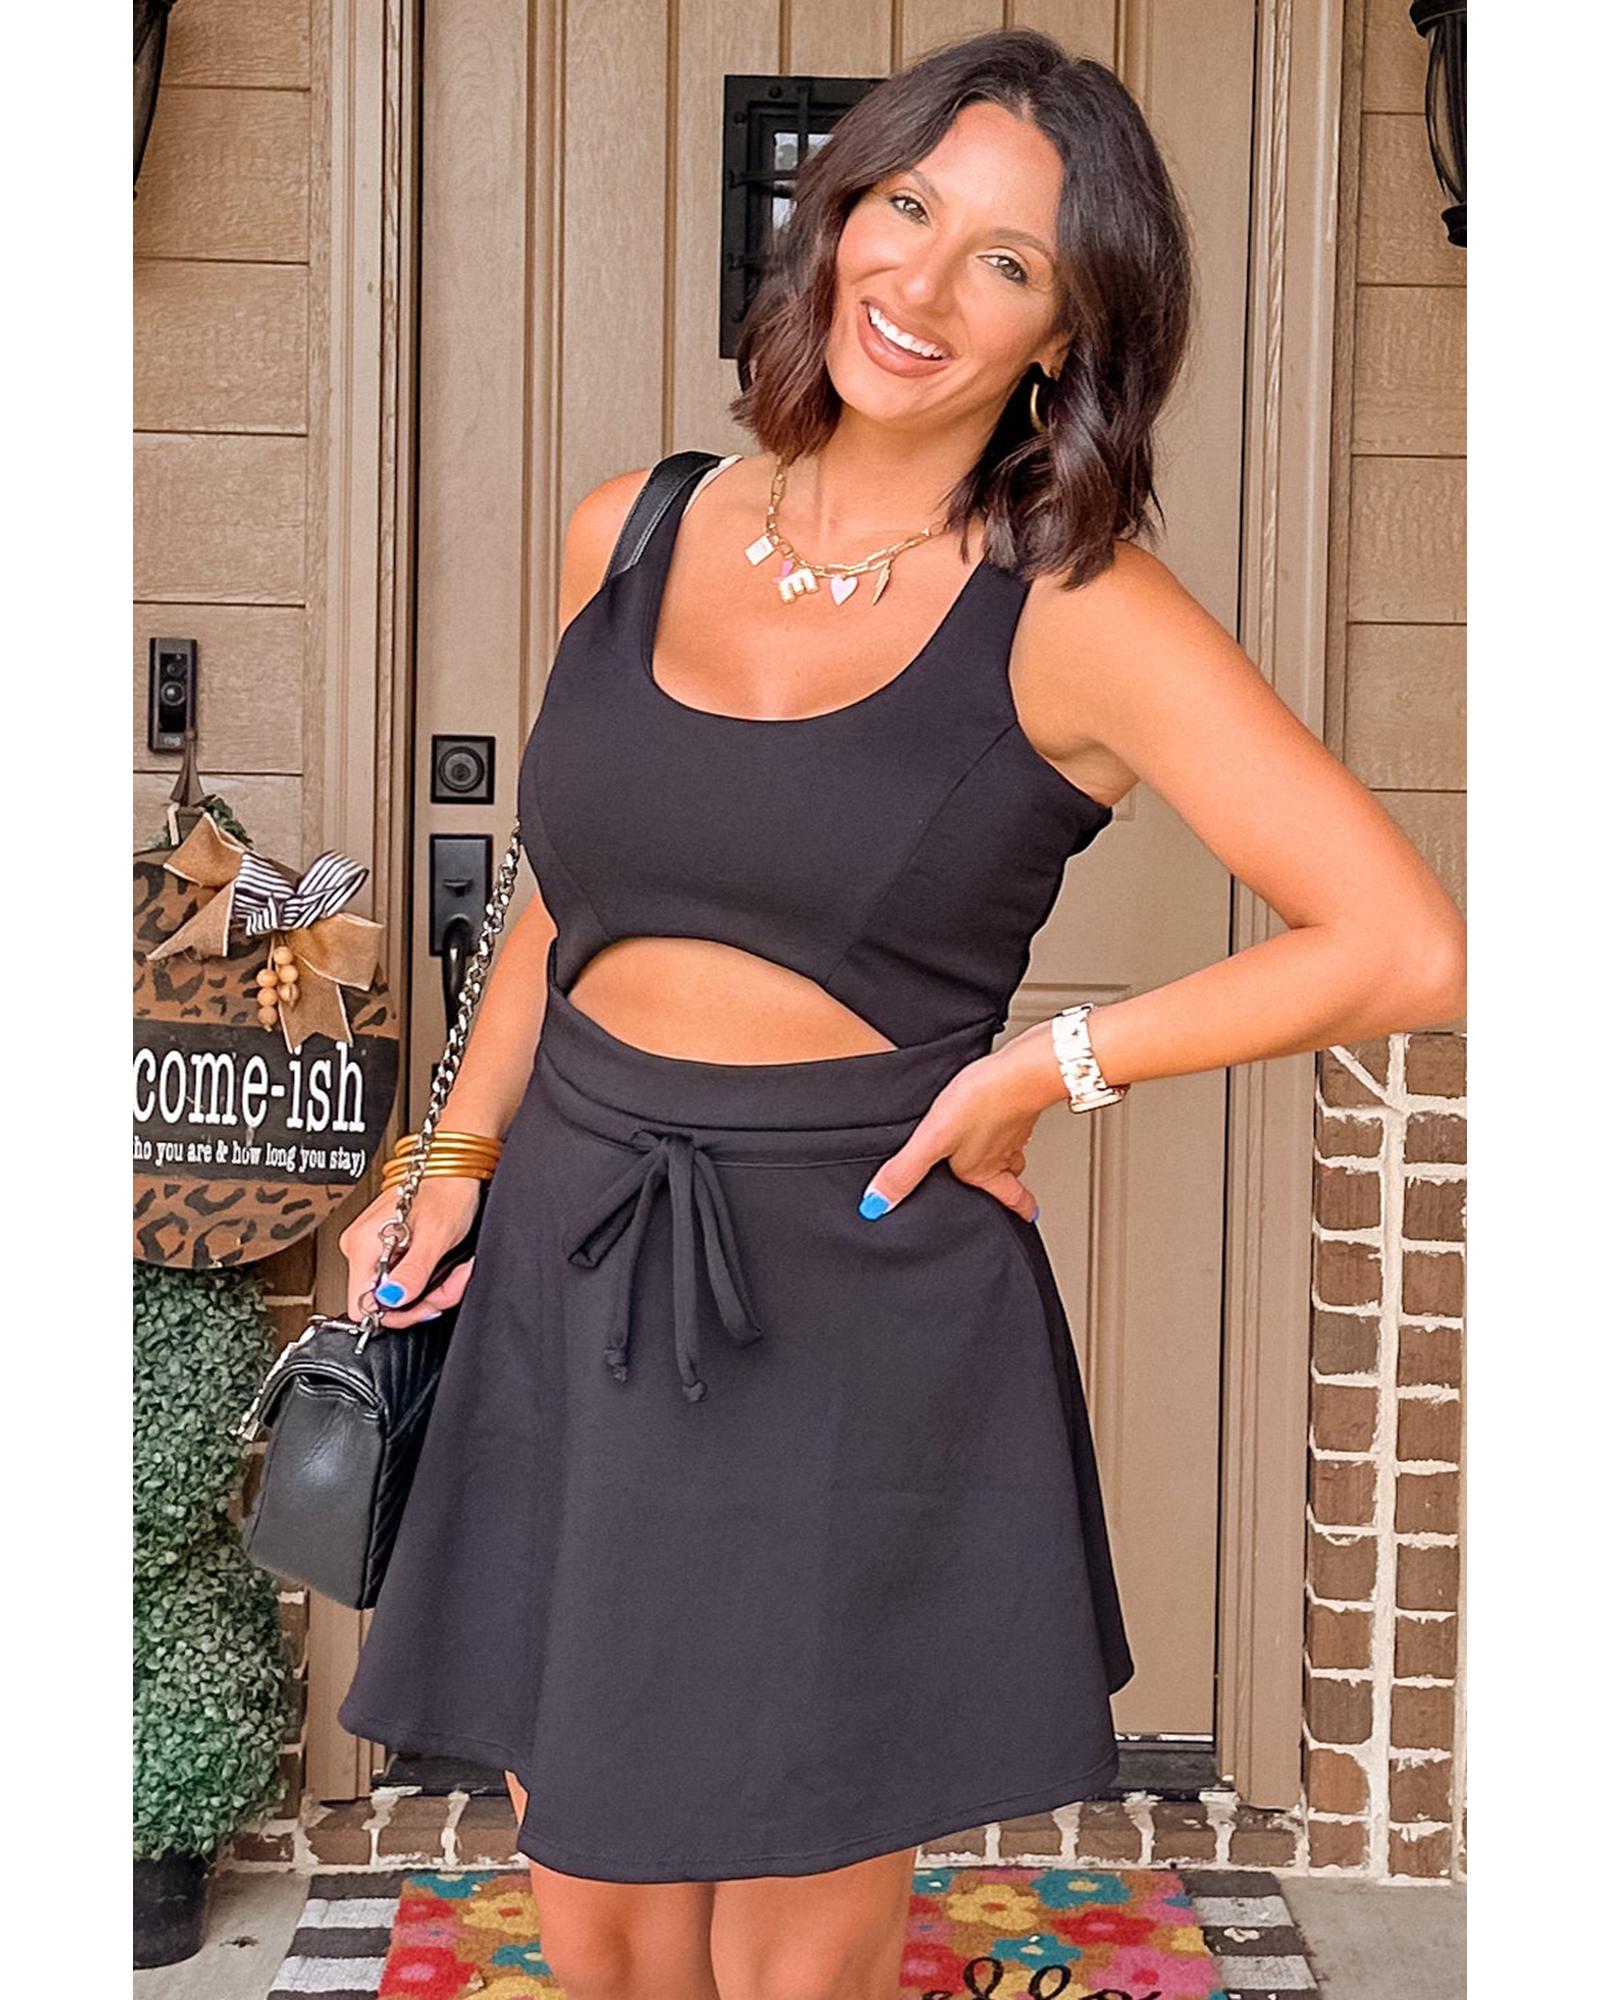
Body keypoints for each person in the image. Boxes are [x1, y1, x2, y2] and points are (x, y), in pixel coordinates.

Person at [334, 27, 1466, 2000]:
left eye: (1005, 261)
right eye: (906, 208)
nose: (922, 283)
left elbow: (1401, 942)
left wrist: (1048, 1066)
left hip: (846, 1288)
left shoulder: (1080, 609)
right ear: (838, 212)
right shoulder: (632, 527)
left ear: (1067, 334)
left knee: (797, 1920)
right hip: (570, 1250)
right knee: (590, 1893)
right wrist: (452, 1155)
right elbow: (566, 901)